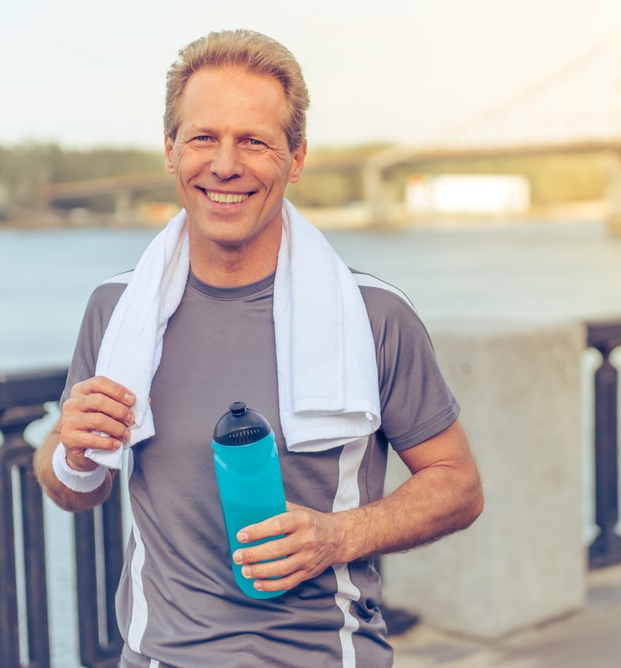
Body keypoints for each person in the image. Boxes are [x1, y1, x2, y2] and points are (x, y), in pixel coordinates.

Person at [34, 28, 483, 668]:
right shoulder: (116, 310)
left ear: (296, 159)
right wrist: (69, 449)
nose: (224, 164)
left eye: (254, 141)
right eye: (202, 138)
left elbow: (458, 485)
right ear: (170, 151)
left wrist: (339, 536)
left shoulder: (374, 315)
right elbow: (76, 490)